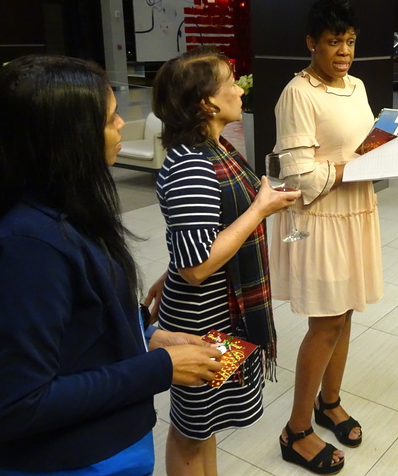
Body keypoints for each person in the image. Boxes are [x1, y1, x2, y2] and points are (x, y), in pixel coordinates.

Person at [0, 55, 223, 474]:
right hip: (68, 461)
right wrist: (160, 368)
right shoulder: (28, 248)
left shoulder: (67, 211)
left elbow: (81, 322)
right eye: (110, 119)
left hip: (106, 443)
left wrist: (148, 336)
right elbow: (19, 403)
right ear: (66, 137)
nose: (121, 126)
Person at [151, 48, 300, 476]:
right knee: (191, 429)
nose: (240, 90)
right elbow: (196, 267)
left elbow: (193, 243)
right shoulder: (192, 164)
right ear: (207, 103)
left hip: (223, 314)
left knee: (207, 423)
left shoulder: (215, 147)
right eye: (231, 83)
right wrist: (260, 209)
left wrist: (167, 272)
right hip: (203, 321)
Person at [269, 0, 382, 474]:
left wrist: (385, 150)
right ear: (311, 43)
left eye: (350, 41)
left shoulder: (356, 86)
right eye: (334, 42)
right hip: (319, 220)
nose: (344, 52)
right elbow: (296, 174)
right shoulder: (298, 93)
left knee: (346, 310)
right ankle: (296, 431)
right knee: (327, 321)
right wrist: (350, 167)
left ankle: (328, 402)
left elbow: (361, 144)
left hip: (355, 210)